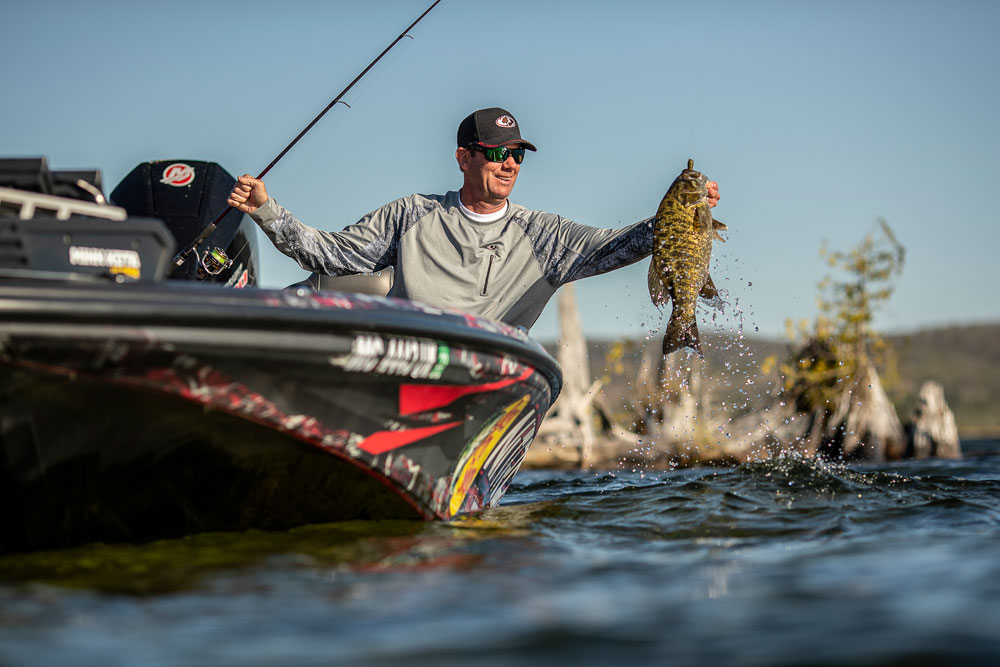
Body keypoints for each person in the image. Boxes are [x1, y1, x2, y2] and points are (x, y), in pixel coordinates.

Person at [227, 107, 719, 330]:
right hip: (409, 359)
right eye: (496, 153)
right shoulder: (411, 214)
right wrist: (267, 211)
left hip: (487, 371)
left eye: (518, 156)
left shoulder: (542, 235)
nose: (509, 164)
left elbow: (623, 245)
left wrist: (683, 214)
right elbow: (330, 255)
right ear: (464, 158)